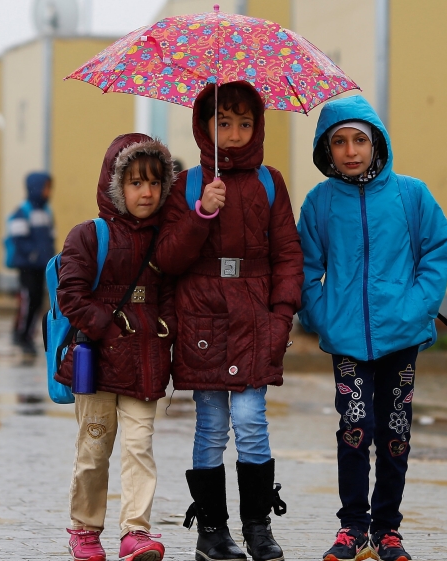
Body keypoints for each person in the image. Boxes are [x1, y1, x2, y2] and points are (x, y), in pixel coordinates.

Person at [296, 95, 447, 561]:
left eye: (359, 140)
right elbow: (306, 267)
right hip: (346, 340)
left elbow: (439, 248)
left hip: (401, 337)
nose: (350, 151)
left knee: (394, 431)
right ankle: (352, 527)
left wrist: (418, 306)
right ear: (327, 149)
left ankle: (388, 529)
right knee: (353, 427)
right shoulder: (320, 203)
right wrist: (321, 315)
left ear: (376, 142)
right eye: (339, 142)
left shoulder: (411, 195)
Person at [156, 82, 303, 561]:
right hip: (202, 317)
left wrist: (282, 315)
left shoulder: (270, 182)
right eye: (224, 123)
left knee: (250, 419)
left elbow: (287, 253)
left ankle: (258, 526)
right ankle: (212, 532)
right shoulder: (188, 185)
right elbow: (169, 258)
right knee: (212, 425)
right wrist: (202, 214)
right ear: (205, 127)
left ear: (257, 126)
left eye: (244, 123)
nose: (236, 134)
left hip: (255, 315)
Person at [56, 133, 177, 561]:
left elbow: (173, 292)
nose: (147, 192)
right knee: (93, 449)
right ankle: (85, 529)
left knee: (139, 447)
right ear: (115, 185)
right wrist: (107, 329)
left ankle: (136, 532)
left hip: (146, 361)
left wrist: (166, 329)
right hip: (100, 364)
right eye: (135, 182)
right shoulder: (89, 235)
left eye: (155, 182)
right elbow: (69, 295)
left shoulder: (166, 238)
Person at [7, 171, 56, 355]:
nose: (48, 192)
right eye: (45, 187)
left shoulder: (46, 212)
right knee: (27, 299)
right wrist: (35, 254)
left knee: (36, 300)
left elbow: (50, 237)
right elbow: (19, 240)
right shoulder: (22, 211)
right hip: (27, 266)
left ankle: (28, 333)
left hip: (41, 266)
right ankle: (22, 334)